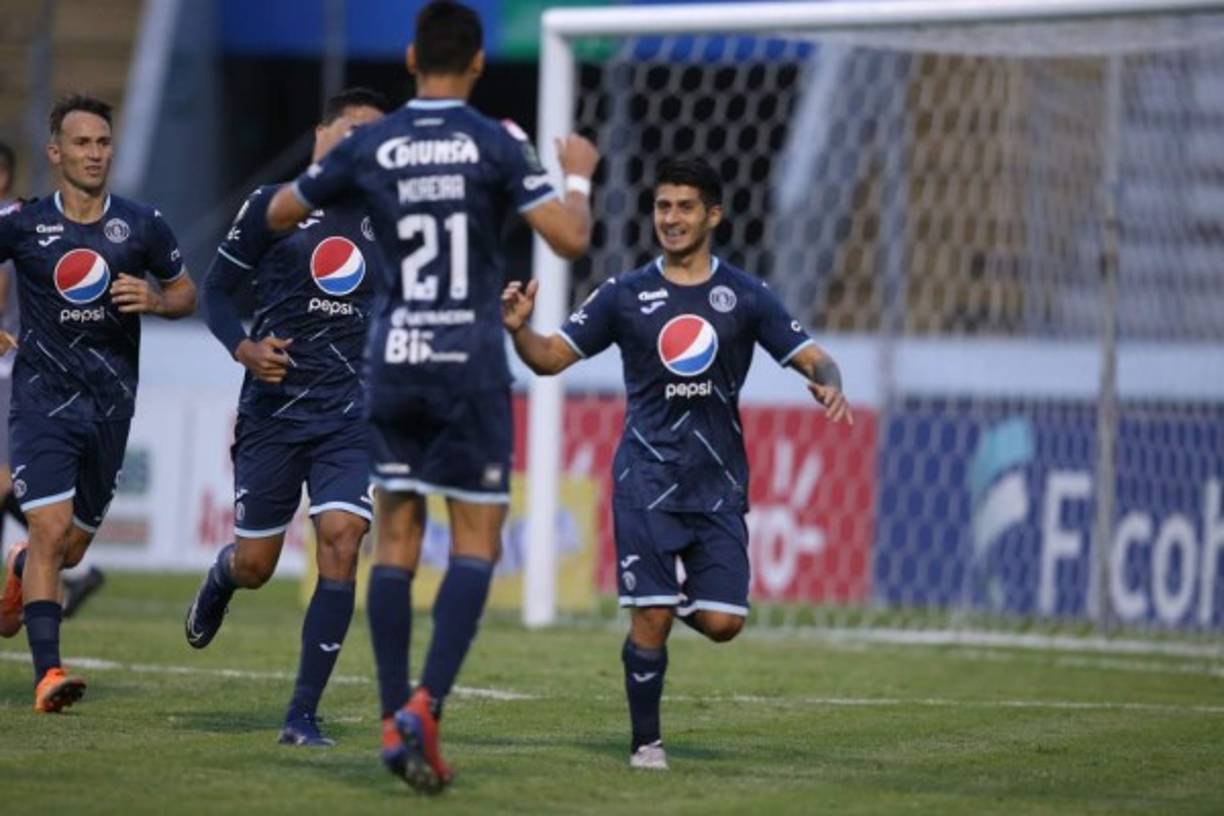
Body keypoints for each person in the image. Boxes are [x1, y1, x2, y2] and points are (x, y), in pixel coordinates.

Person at [266, 0, 598, 792]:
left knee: (400, 540)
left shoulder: (371, 143)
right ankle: (425, 706)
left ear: (411, 58)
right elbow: (570, 238)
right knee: (478, 540)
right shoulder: (497, 142)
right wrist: (578, 174)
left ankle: (390, 714)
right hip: (468, 363)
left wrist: (332, 179)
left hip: (394, 358)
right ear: (479, 62)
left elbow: (282, 211)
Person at [501, 157, 853, 770]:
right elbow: (551, 359)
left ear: (713, 214)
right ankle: (646, 744)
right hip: (647, 479)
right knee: (654, 618)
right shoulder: (625, 294)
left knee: (722, 622)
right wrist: (518, 331)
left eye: (686, 207)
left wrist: (827, 382)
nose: (672, 218)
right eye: (664, 206)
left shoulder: (744, 295)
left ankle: (659, 604)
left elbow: (814, 355)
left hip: (717, 484)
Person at [184, 88, 390, 747]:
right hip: (273, 414)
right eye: (353, 131)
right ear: (321, 134)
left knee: (341, 538)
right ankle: (223, 577)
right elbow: (214, 291)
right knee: (256, 565)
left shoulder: (390, 220)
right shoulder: (273, 207)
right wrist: (243, 347)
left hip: (350, 418)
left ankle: (302, 715)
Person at [0, 95, 197, 713]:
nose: (95, 154)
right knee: (51, 528)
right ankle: (48, 674)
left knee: (69, 549)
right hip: (42, 399)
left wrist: (158, 301)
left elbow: (187, 291)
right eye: (82, 143)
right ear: (56, 153)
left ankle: (19, 573)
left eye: (103, 143)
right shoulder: (26, 225)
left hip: (111, 407)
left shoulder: (141, 225)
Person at [0, 141, 106, 619]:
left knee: (3, 481)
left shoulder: (12, 221)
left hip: (14, 370)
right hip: (34, 370)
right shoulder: (29, 218)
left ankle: (64, 565)